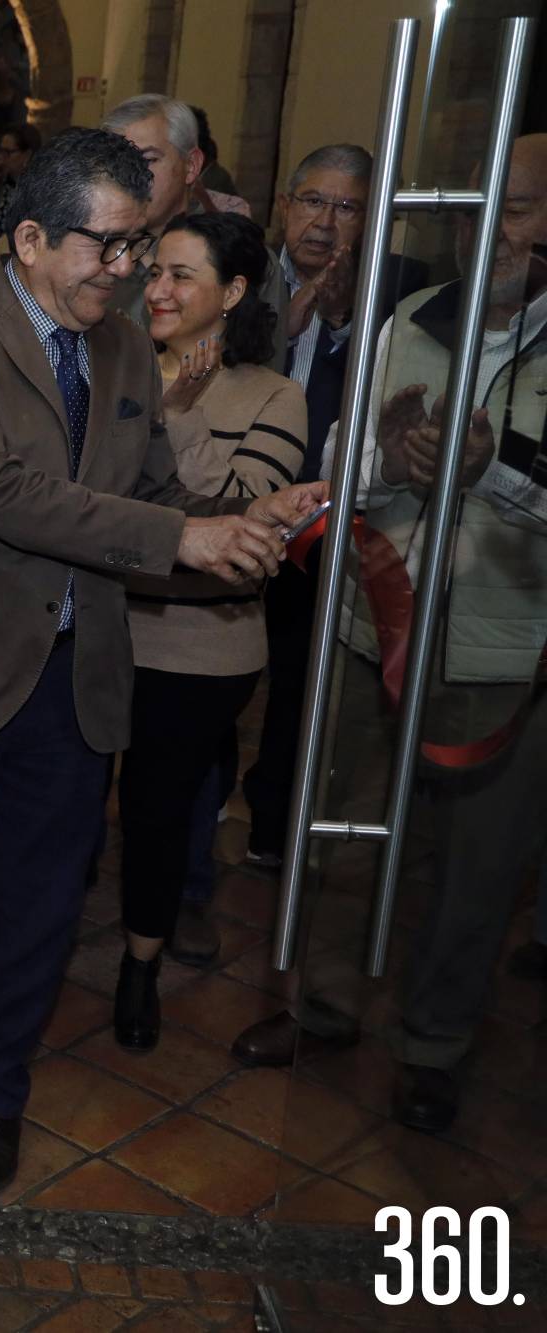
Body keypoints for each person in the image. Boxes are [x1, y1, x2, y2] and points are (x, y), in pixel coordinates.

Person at [0, 130, 326, 1193]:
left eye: (138, 251)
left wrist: (237, 523)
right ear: (30, 237)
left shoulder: (122, 351)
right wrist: (181, 539)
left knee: (34, 904)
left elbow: (152, 501)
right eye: (107, 249)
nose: (126, 275)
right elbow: (1, 495)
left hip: (76, 675)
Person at [230, 133, 547, 1135]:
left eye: (521, 208)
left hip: (505, 656)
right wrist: (391, 456)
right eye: (475, 206)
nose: (491, 228)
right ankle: (321, 1007)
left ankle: (432, 1044)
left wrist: (486, 469)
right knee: (347, 831)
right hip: (378, 627)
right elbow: (335, 467)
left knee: (474, 865)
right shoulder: (408, 319)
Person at [114, 211, 305, 1043]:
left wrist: (179, 411)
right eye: (154, 270)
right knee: (64, 800)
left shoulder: (272, 394)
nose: (158, 288)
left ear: (231, 292)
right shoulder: (110, 366)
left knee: (158, 810)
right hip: (98, 622)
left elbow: (237, 520)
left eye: (181, 274)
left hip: (198, 647)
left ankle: (138, 965)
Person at [240, 144, 429, 872]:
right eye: (313, 201)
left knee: (300, 671)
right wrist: (295, 315)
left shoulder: (405, 289)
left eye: (348, 207)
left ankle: (276, 821)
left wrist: (347, 317)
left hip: (335, 514)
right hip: (238, 498)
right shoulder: (242, 273)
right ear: (285, 205)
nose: (326, 221)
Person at [99, 94, 254, 328]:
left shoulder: (239, 255)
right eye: (118, 163)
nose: (130, 177)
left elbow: (257, 354)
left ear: (191, 166)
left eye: (148, 159)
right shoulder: (95, 252)